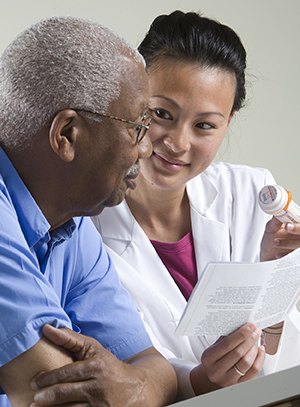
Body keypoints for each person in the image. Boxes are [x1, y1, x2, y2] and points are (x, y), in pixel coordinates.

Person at [92, 10, 300, 400]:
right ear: (131, 98)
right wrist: (199, 380)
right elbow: (117, 375)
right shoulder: (83, 227)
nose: (177, 143)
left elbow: (284, 360)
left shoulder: (255, 195)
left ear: (228, 123)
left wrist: (279, 278)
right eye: (161, 114)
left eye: (204, 125)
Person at [0, 16, 178, 407]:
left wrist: (137, 387)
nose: (147, 149)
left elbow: (154, 367)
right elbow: (59, 398)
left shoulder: (73, 224)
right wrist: (131, 387)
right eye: (138, 126)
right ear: (67, 135)